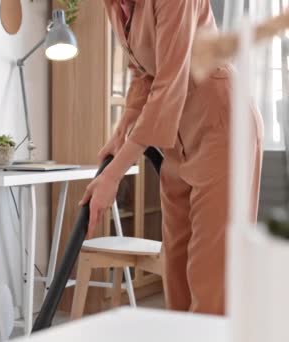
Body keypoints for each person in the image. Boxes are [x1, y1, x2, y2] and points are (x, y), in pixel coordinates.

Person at [80, 0, 263, 315]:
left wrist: (113, 175)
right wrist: (120, 130)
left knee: (212, 278)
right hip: (175, 140)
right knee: (176, 273)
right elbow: (142, 75)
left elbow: (168, 86)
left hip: (221, 125)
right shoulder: (113, 5)